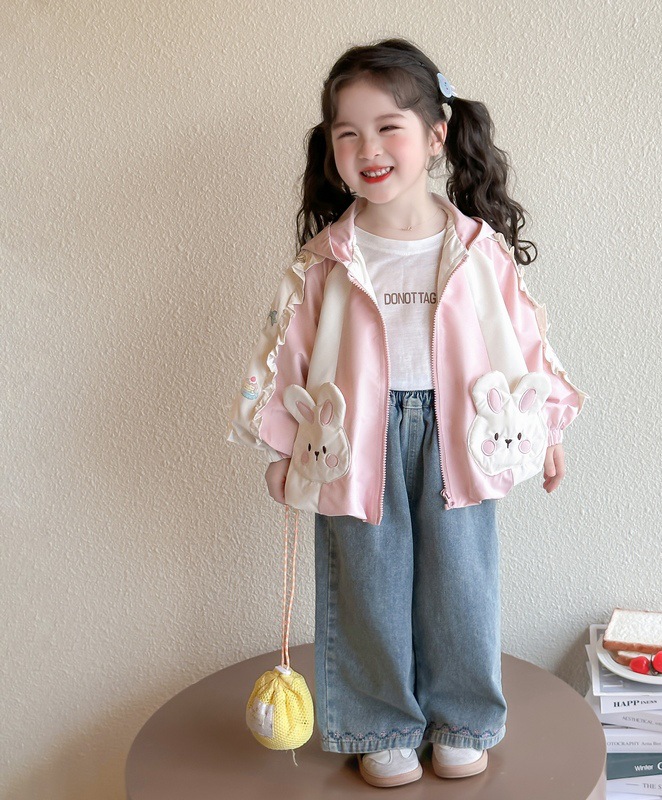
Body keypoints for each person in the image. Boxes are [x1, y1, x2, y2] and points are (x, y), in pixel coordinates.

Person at [227, 37, 587, 788]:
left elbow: (525, 339)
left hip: (464, 433)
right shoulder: (327, 258)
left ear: (436, 134)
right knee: (367, 580)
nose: (368, 149)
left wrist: (547, 426)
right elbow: (287, 351)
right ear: (330, 149)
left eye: (388, 127)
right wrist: (284, 448)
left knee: (462, 584)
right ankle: (380, 726)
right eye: (347, 133)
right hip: (352, 440)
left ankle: (462, 721)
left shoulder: (476, 248)